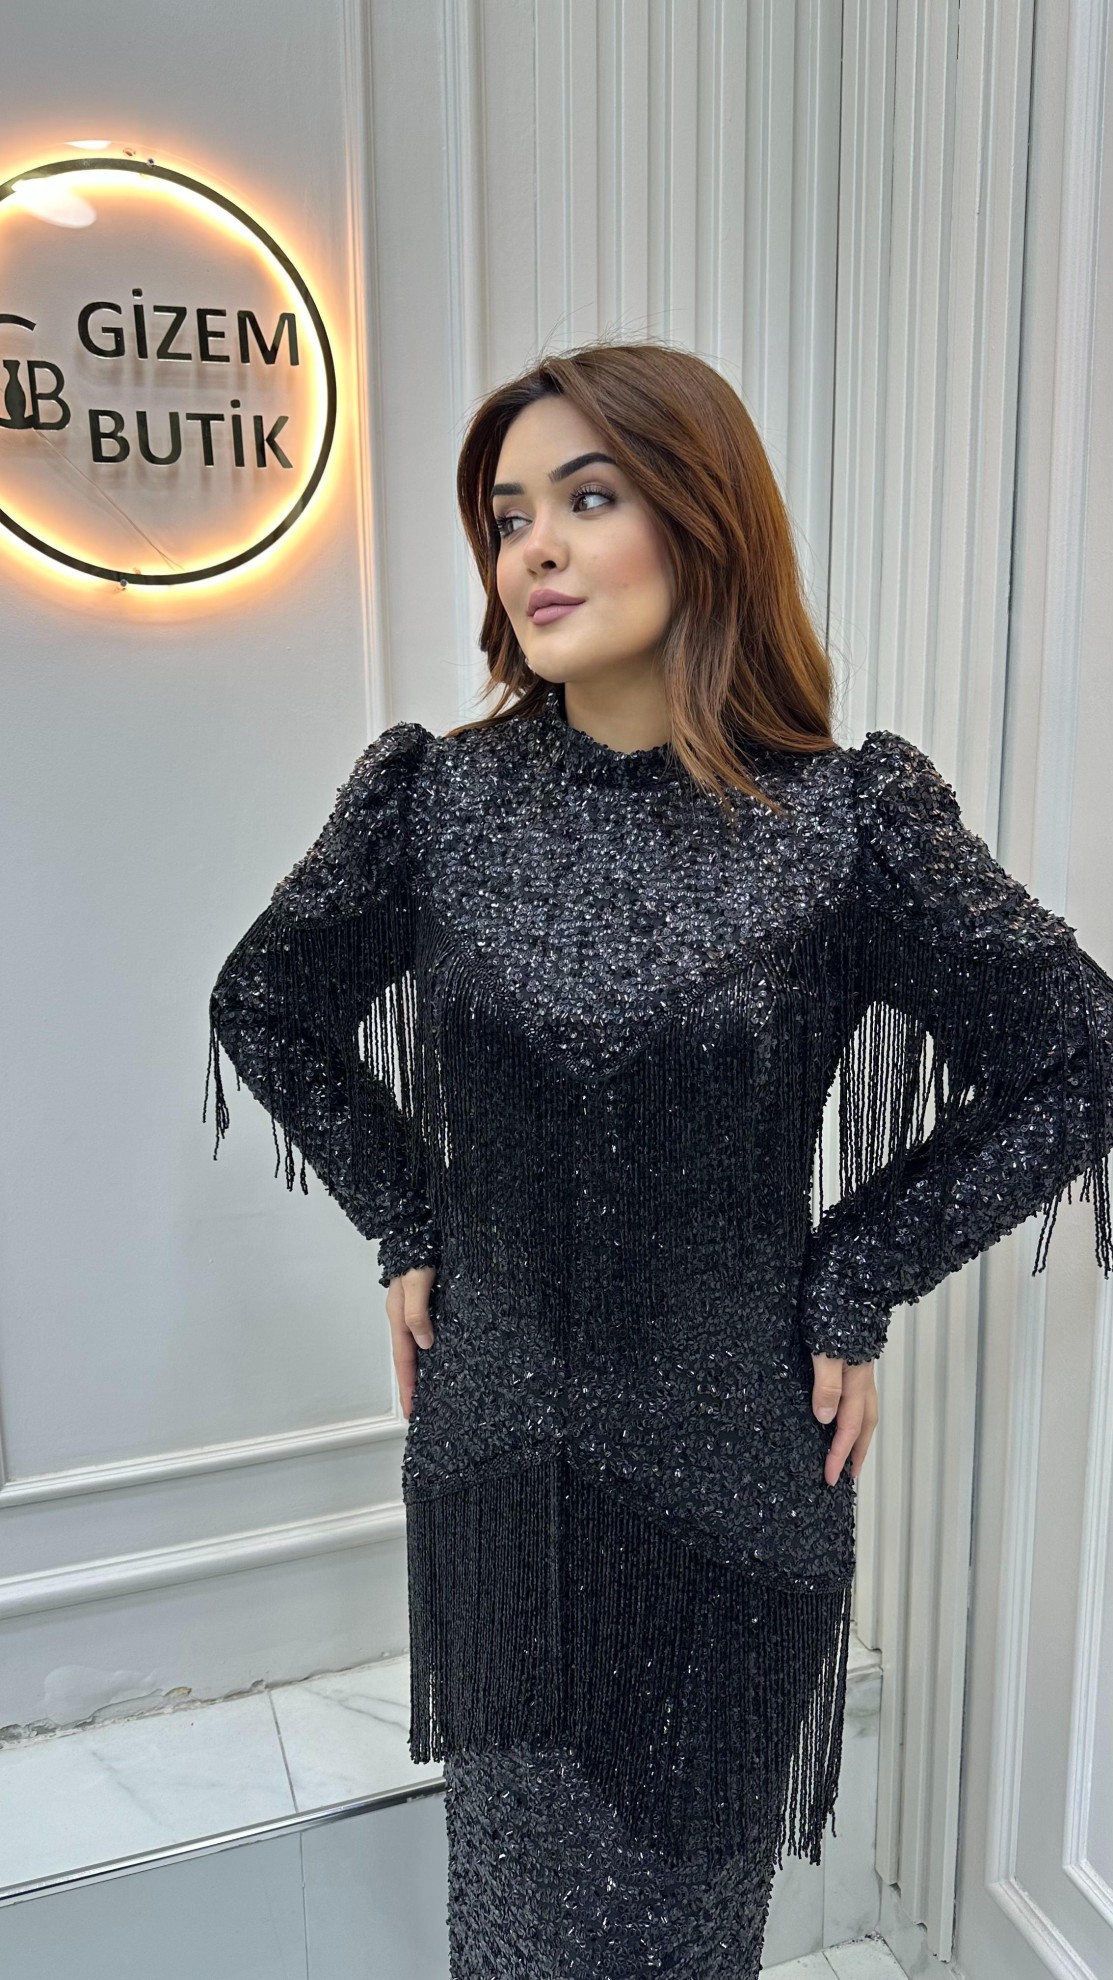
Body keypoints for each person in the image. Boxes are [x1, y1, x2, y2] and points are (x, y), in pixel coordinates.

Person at [204, 339, 1113, 1979]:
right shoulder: (436, 801)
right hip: (493, 1455)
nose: (532, 549)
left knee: (681, 1933)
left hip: (731, 1471)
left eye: (587, 498)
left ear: (703, 520)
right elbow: (264, 1003)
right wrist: (408, 1217)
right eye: (506, 517)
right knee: (515, 1926)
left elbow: (1078, 1054)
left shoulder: (843, 823)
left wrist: (855, 1275)